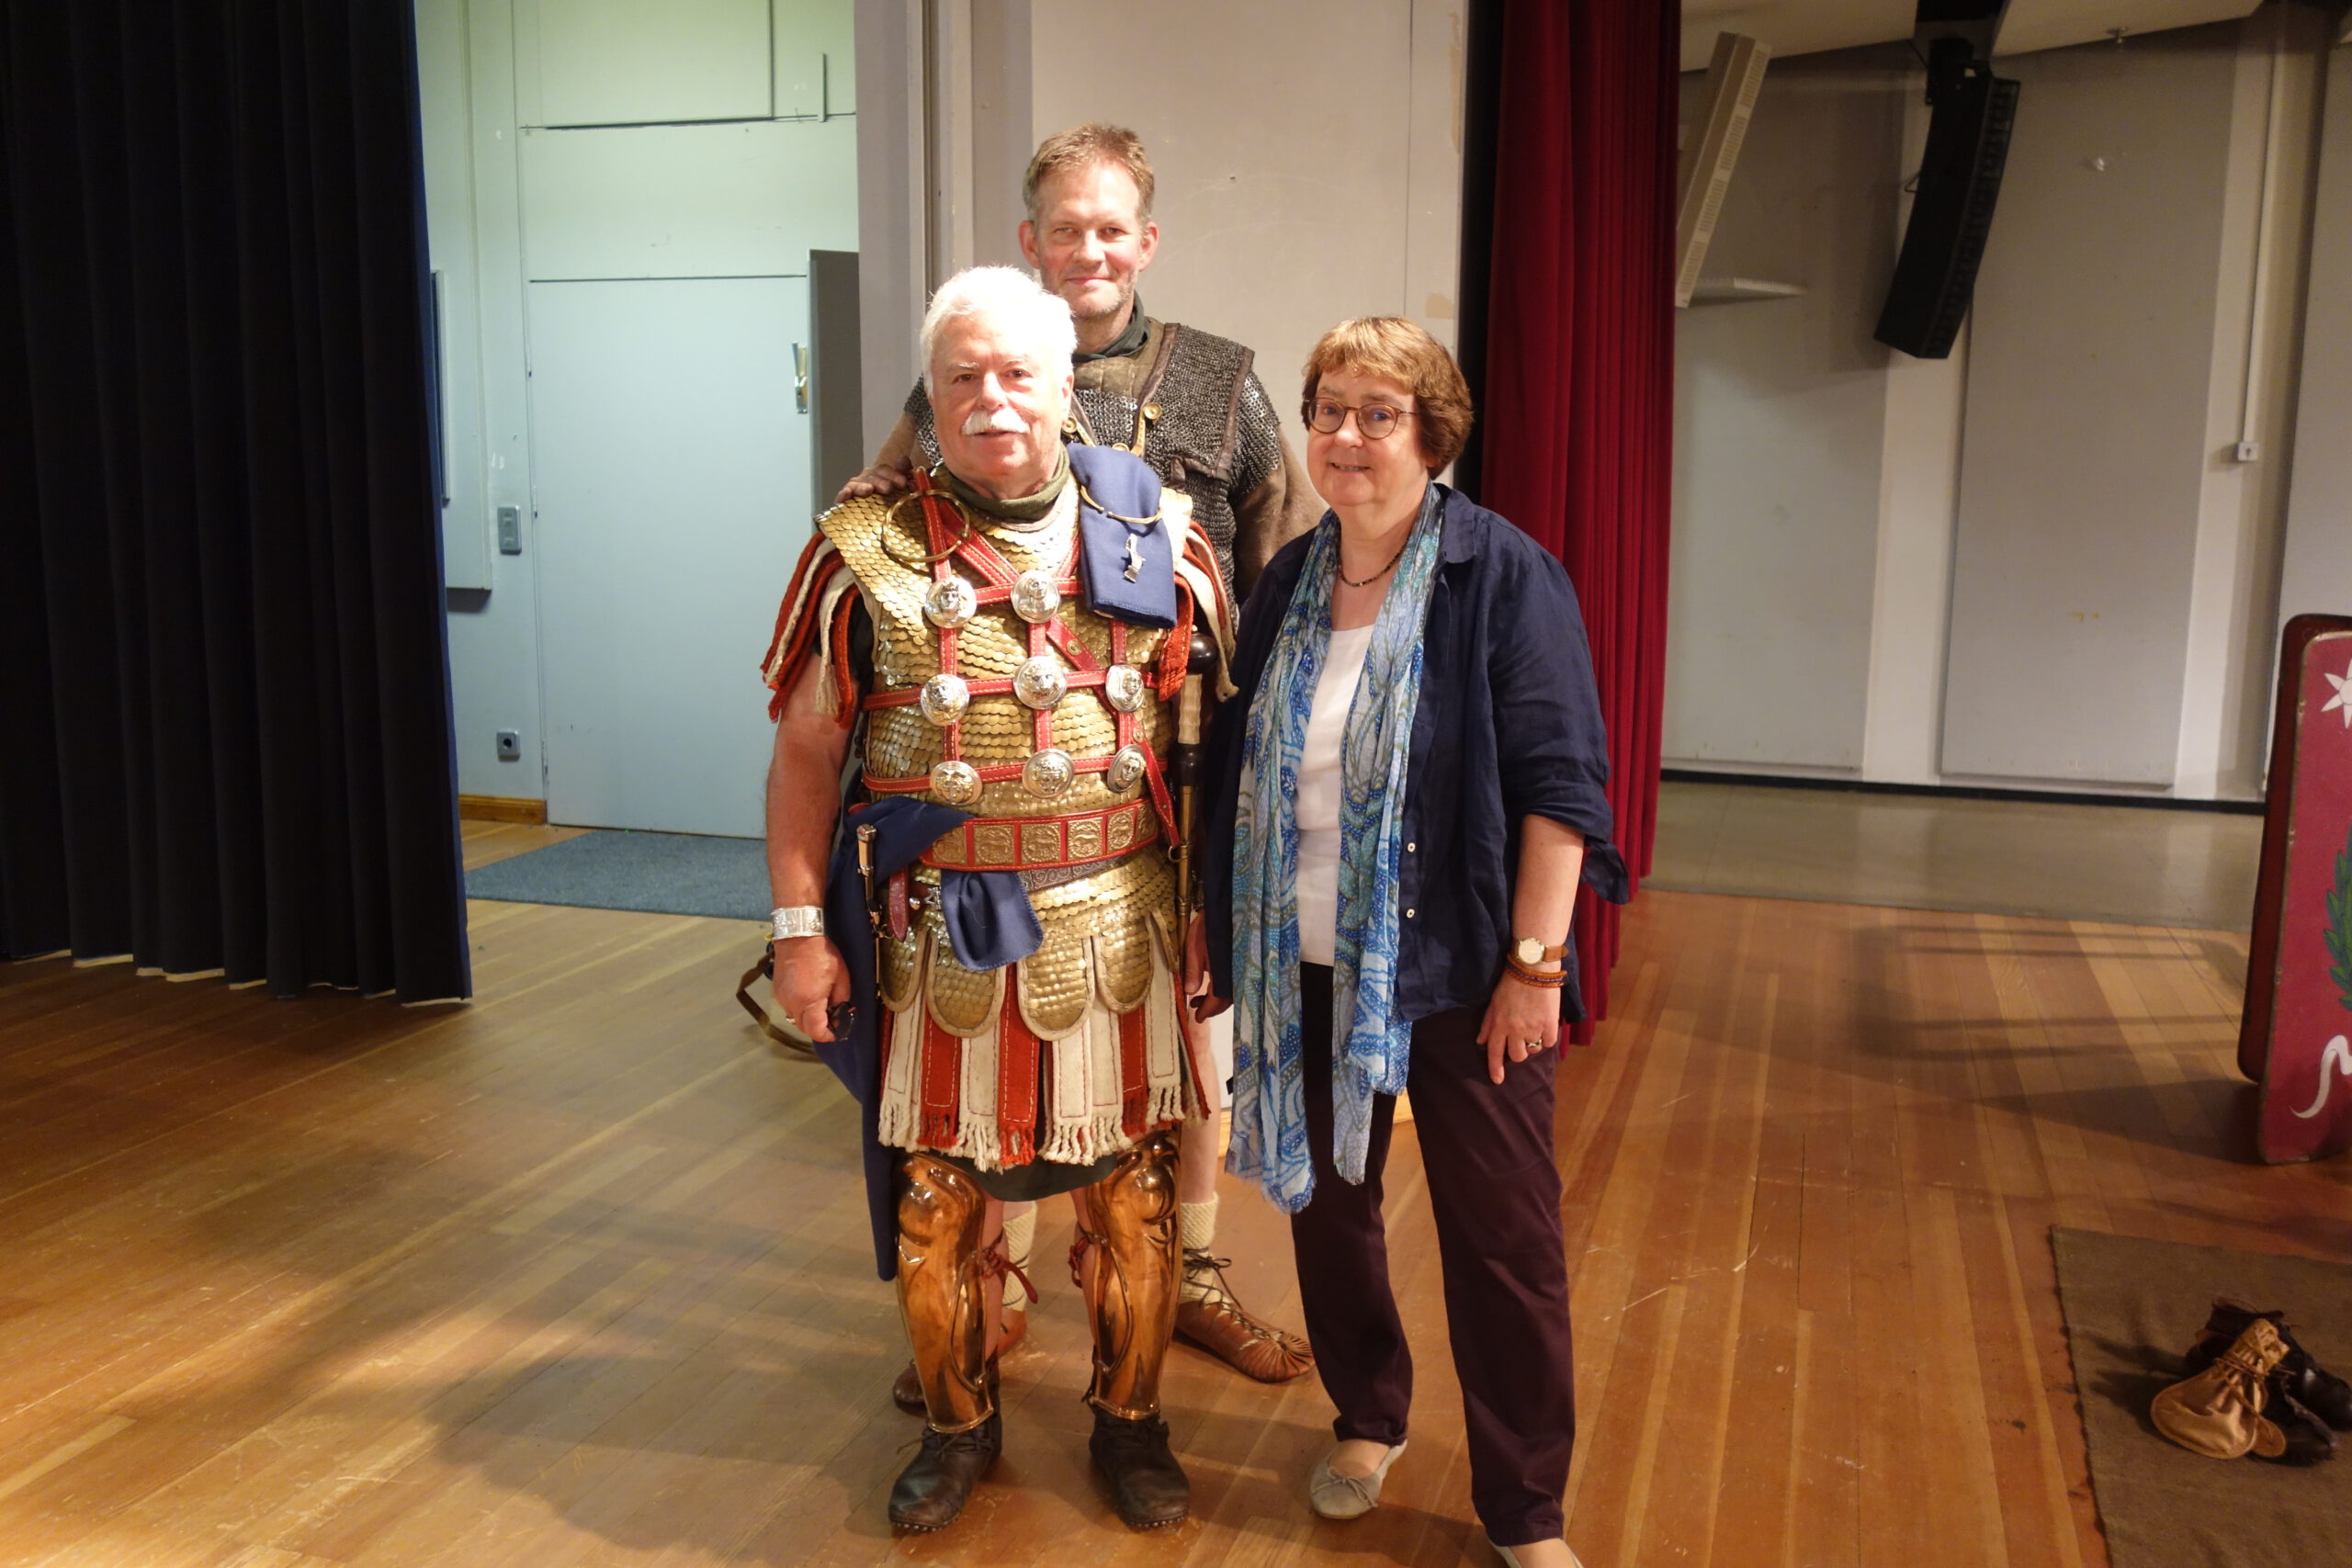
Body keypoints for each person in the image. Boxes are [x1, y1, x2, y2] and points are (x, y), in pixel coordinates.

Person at [842, 122, 1317, 1396]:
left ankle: (1188, 1272)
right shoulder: (972, 364)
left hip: (1168, 769)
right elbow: (888, 516)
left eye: (1112, 228)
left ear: (1145, 241)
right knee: (993, 1045)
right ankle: (990, 1294)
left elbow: (1279, 568)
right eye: (1066, 227)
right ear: (1031, 239)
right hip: (993, 779)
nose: (1089, 249)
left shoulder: (1221, 382)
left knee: (1183, 1055)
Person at [762, 265, 1234, 1532]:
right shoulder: (859, 553)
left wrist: (1212, 920)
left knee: (1133, 1195)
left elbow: (1207, 747)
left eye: (1017, 373)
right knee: (937, 1204)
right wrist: (801, 934)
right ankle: (959, 1426)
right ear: (930, 395)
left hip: (1121, 919)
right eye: (961, 377)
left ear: (1064, 383)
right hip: (941, 931)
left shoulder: (1155, 531)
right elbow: (806, 757)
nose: (991, 400)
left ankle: (1131, 1422)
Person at [1192, 318, 1629, 1568]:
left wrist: (1535, 967)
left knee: (1504, 1241)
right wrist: (1217, 929)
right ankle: (1368, 1417)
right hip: (1302, 960)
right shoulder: (1291, 576)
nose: (1345, 435)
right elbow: (1234, 772)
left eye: (1378, 413)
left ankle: (1527, 1511)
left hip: (1463, 967)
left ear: (1433, 435)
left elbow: (1559, 790)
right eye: (1328, 409)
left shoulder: (1503, 575)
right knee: (1330, 1214)